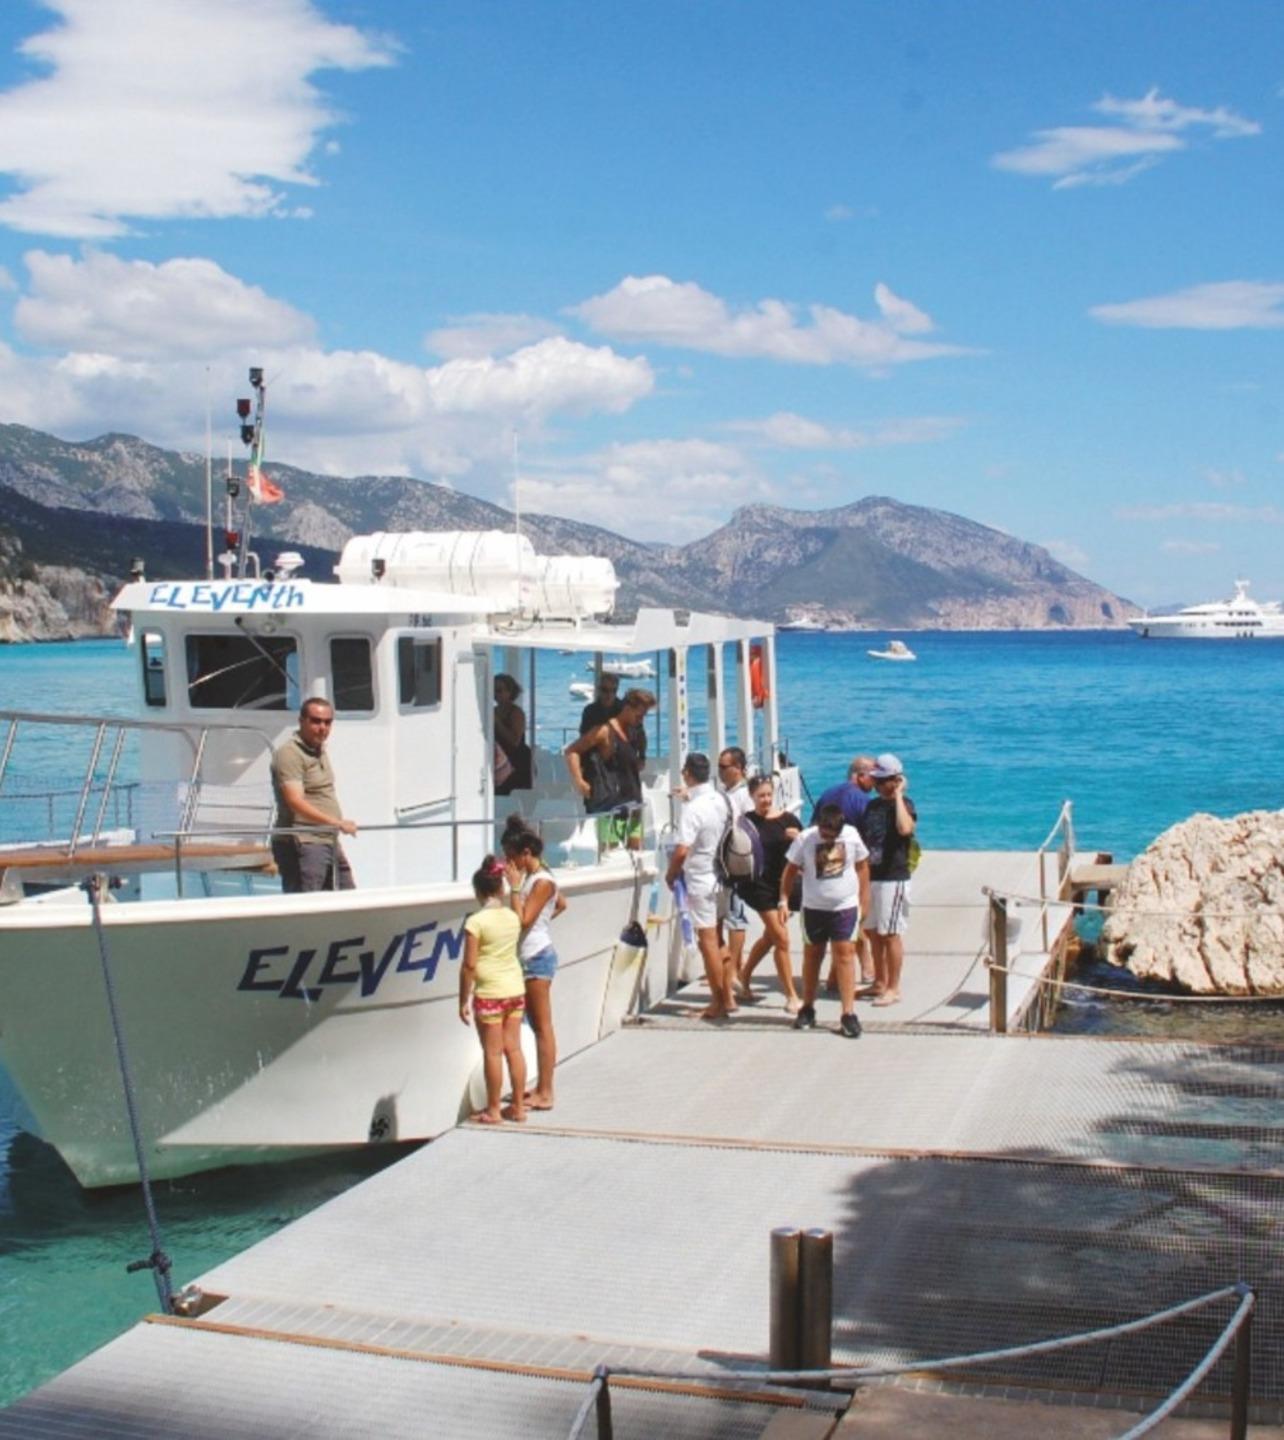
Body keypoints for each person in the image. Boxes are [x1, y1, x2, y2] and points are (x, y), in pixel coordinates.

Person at [778, 801, 870, 1038]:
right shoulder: (805, 839)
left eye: (832, 837)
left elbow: (862, 866)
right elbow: (789, 870)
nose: (827, 840)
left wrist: (864, 899)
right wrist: (783, 900)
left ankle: (848, 1013)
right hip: (814, 907)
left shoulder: (851, 835)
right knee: (812, 955)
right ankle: (808, 1007)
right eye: (824, 835)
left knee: (845, 955)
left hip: (845, 906)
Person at [665, 752, 735, 1020]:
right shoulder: (722, 799)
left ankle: (717, 1003)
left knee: (708, 942)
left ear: (687, 774)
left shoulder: (693, 810)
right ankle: (727, 997)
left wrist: (671, 875)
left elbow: (682, 850)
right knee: (718, 937)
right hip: (723, 875)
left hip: (701, 879)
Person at [502, 820, 566, 1112]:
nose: (509, 863)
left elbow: (524, 919)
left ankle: (546, 1091)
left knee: (542, 1026)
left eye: (511, 856)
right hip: (530, 955)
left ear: (525, 853)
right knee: (536, 1023)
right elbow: (561, 904)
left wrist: (515, 889)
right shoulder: (538, 878)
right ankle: (541, 1087)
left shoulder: (541, 882)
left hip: (537, 957)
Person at [459, 855, 527, 1124]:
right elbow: (521, 917)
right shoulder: (512, 917)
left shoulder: (475, 922)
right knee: (514, 1049)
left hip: (489, 993)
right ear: (501, 888)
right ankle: (518, 1107)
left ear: (478, 892)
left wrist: (463, 999)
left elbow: (469, 965)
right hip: (515, 989)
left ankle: (494, 1109)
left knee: (493, 1052)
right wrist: (517, 888)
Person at [270, 697, 358, 893]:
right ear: (301, 721)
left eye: (327, 722)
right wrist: (337, 823)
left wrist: (333, 827)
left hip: (327, 839)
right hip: (303, 841)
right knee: (306, 903)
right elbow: (295, 801)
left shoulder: (319, 750)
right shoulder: (290, 754)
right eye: (316, 721)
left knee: (349, 898)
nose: (322, 728)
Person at [736, 774, 803, 1013]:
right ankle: (791, 996)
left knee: (770, 937)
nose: (765, 800)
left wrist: (799, 838)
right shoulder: (746, 822)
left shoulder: (789, 820)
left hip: (784, 884)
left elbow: (809, 849)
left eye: (768, 795)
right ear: (752, 796)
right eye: (760, 796)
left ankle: (744, 976)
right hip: (758, 886)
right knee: (781, 939)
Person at [811, 755, 877, 990]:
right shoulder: (862, 800)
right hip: (850, 863)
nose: (875, 782)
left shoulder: (828, 793)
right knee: (850, 915)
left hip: (823, 857)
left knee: (836, 914)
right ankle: (863, 965)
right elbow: (870, 838)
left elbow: (813, 828)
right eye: (872, 776)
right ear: (860, 776)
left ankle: (835, 974)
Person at [564, 688, 657, 849]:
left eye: (644, 716)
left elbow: (640, 753)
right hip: (611, 805)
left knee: (636, 851)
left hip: (634, 801)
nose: (641, 719)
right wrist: (579, 780)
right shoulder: (604, 731)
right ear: (627, 708)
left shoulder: (634, 730)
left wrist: (641, 758)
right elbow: (572, 751)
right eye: (639, 715)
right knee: (610, 853)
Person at [860, 753, 918, 1007]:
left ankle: (894, 987)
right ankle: (880, 981)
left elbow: (905, 829)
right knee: (873, 932)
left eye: (884, 781)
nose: (879, 785)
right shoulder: (872, 806)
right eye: (877, 780)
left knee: (890, 933)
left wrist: (898, 796)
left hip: (893, 878)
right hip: (872, 876)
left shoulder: (905, 805)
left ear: (895, 780)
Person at [717, 747, 754, 991]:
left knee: (735, 917)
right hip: (725, 861)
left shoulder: (743, 796)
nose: (719, 771)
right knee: (729, 916)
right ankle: (735, 968)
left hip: (735, 863)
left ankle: (733, 972)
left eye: (724, 767)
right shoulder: (727, 793)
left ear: (738, 768)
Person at [493, 673, 531, 795]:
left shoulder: (516, 713)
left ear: (510, 692)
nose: (495, 694)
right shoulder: (493, 711)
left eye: (499, 690)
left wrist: (497, 723)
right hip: (499, 760)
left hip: (517, 762)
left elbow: (515, 741)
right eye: (493, 690)